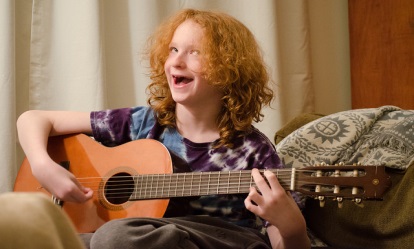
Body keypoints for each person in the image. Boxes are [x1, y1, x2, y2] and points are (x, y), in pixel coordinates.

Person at [16, 8, 310, 249]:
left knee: (115, 236)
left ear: (229, 70)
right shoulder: (143, 123)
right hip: (143, 235)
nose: (176, 61)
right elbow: (34, 119)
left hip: (223, 238)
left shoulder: (252, 150)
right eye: (174, 49)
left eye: (195, 52)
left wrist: (292, 226)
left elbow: (285, 245)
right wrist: (43, 166)